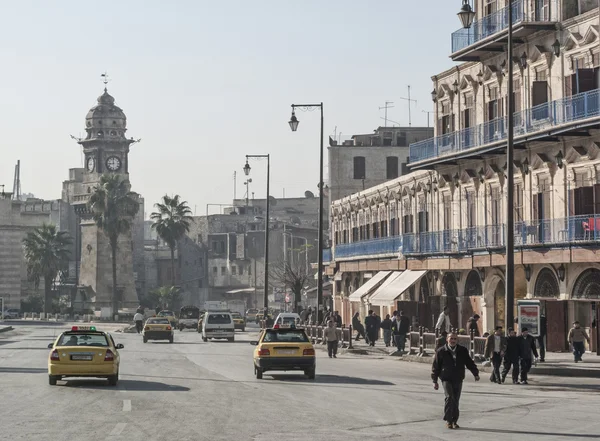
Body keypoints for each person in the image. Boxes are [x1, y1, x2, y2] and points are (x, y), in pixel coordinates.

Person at [431, 332, 480, 430]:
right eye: (451, 338)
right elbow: (436, 366)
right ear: (447, 339)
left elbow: (469, 362)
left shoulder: (462, 350)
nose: (453, 341)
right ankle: (449, 420)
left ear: (457, 340)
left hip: (458, 378)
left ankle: (454, 421)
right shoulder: (441, 351)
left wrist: (475, 373)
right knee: (449, 397)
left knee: (456, 400)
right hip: (446, 378)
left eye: (454, 339)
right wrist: (434, 381)